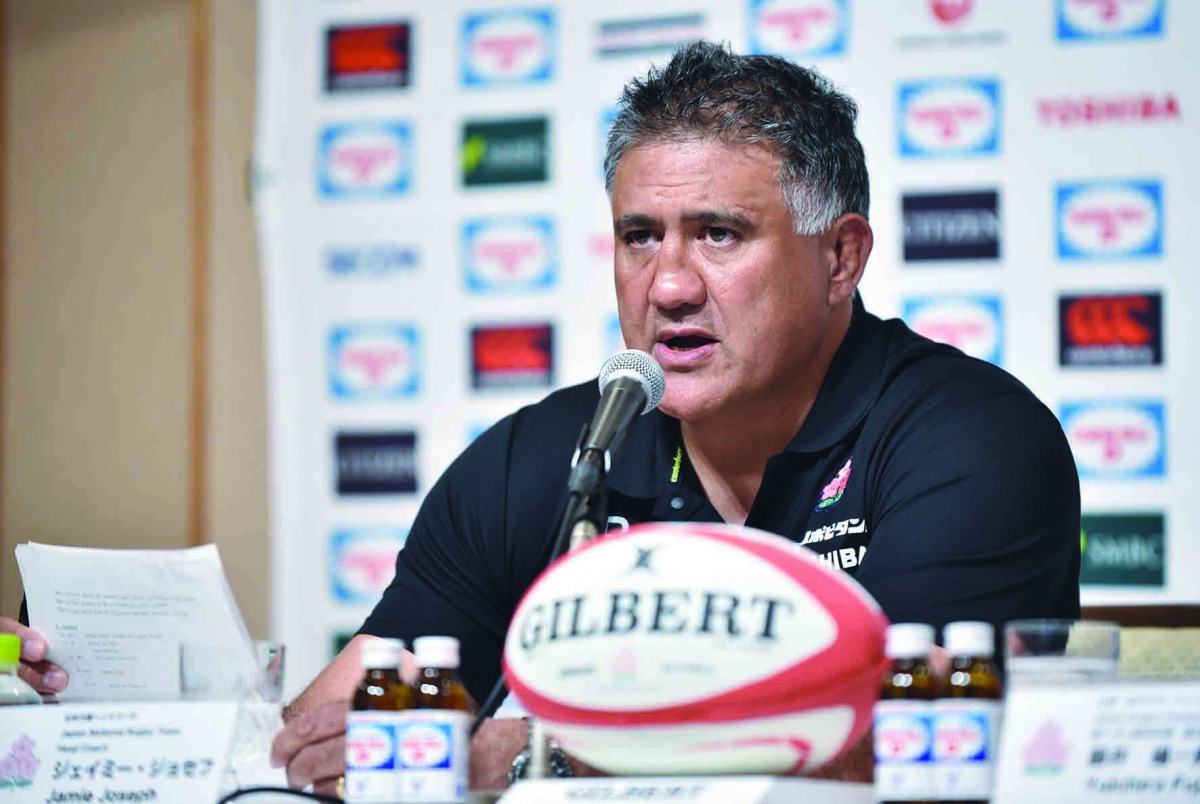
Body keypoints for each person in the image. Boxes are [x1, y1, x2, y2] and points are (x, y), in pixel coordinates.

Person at [7, 41, 1081, 791]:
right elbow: (336, 726)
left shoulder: (971, 440)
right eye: (638, 237)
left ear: (840, 255)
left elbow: (902, 739)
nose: (665, 286)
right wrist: (107, 717)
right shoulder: (558, 449)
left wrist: (533, 753)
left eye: (718, 234)